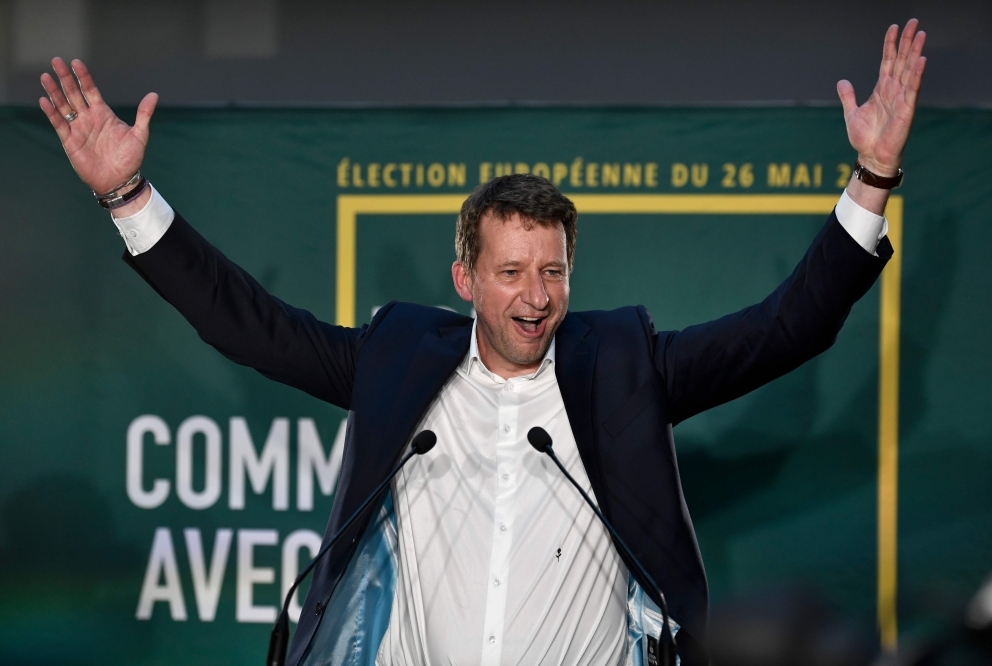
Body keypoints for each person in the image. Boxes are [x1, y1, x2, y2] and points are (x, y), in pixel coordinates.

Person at [38, 19, 926, 666]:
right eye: (511, 273)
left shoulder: (621, 366)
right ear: (466, 279)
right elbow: (249, 323)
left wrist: (873, 177)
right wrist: (129, 198)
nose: (535, 298)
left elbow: (786, 329)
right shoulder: (398, 355)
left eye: (552, 272)